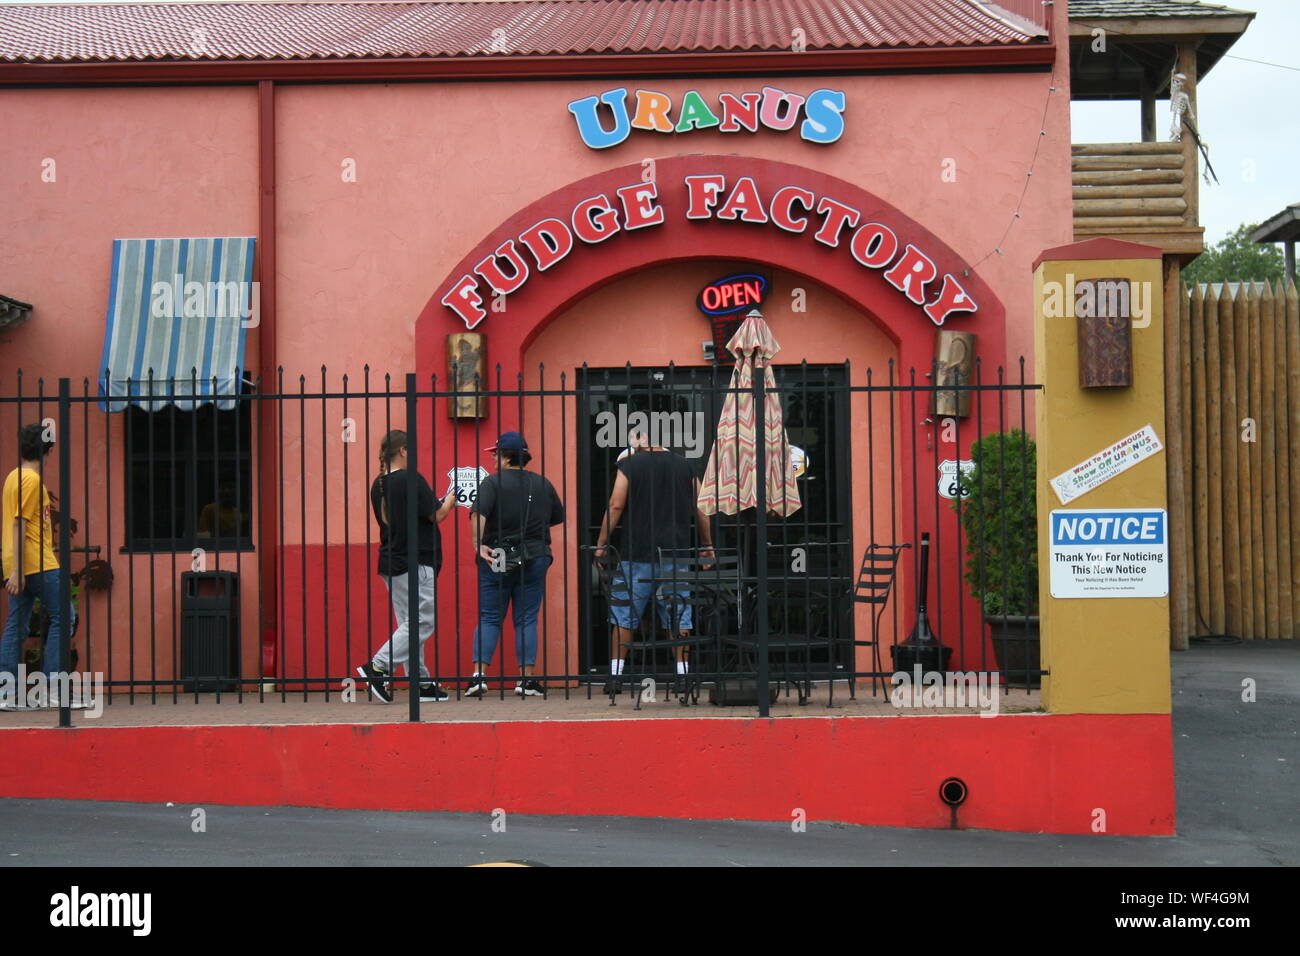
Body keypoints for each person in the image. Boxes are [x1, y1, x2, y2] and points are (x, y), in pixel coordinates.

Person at [595, 428, 713, 685]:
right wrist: (707, 544)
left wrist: (602, 543)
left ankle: (615, 676)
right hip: (676, 555)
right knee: (678, 612)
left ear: (639, 440)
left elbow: (616, 505)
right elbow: (702, 507)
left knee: (624, 614)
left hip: (636, 554)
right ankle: (683, 674)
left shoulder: (629, 464)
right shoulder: (685, 466)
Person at [356, 430, 456, 703]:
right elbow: (438, 514)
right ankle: (377, 667)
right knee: (422, 622)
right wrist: (450, 498)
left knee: (409, 625)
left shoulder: (379, 483)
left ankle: (420, 684)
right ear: (402, 451)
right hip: (417, 561)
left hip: (391, 561)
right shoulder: (411, 479)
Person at [467, 431, 564, 698]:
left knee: (490, 616)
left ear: (506, 456)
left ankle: (479, 677)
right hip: (534, 555)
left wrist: (479, 545)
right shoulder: (543, 484)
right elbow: (556, 516)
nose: (493, 458)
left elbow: (478, 515)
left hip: (497, 556)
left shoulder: (492, 483)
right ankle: (526, 680)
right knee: (526, 618)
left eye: (496, 453)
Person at [1, 424, 62, 709]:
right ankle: (51, 688)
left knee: (17, 625)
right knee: (64, 618)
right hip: (37, 562)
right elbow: (19, 523)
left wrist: (14, 568)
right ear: (48, 451)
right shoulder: (32, 481)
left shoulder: (13, 476)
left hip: (18, 561)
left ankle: (6, 691)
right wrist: (19, 571)